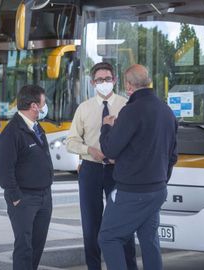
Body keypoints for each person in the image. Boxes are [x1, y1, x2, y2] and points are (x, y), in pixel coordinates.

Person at [98, 64, 178, 270]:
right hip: (157, 189)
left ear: (129, 85)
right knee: (149, 239)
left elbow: (111, 150)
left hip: (133, 191)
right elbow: (172, 155)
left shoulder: (130, 111)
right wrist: (160, 180)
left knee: (108, 237)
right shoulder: (167, 111)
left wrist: (106, 127)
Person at [66, 62, 136, 270]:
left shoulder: (126, 105)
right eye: (99, 80)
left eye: (107, 79)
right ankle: (93, 267)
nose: (103, 83)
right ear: (92, 83)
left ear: (114, 80)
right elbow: (71, 141)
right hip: (91, 170)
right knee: (91, 224)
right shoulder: (84, 108)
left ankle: (128, 266)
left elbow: (135, 140)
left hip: (118, 171)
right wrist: (89, 150)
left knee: (123, 222)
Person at [0, 85, 53, 270]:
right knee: (24, 247)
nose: (45, 107)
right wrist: (15, 198)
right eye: (43, 103)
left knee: (37, 245)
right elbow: (5, 170)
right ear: (34, 106)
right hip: (24, 199)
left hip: (44, 197)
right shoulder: (12, 133)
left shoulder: (37, 128)